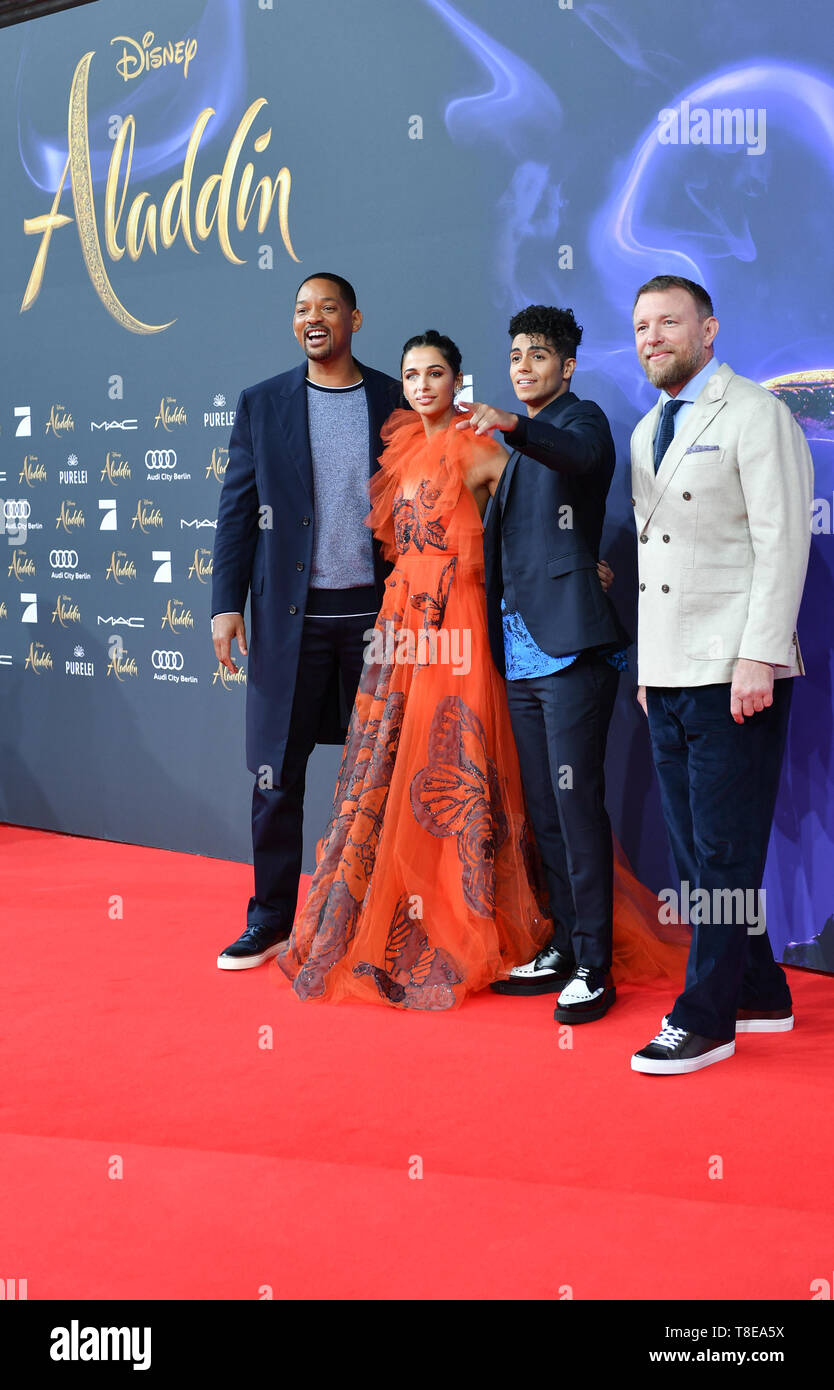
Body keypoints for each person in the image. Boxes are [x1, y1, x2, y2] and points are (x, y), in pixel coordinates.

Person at [276, 330, 686, 1009]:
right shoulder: (401, 451)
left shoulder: (488, 448)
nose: (423, 385)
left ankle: (511, 930)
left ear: (457, 379)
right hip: (404, 622)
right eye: (412, 374)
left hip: (463, 622)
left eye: (436, 373)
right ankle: (436, 919)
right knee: (395, 766)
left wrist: (582, 564)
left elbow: (549, 508)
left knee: (467, 767)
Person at [627, 274, 813, 1075]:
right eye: (640, 326)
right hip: (669, 672)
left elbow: (782, 543)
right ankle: (763, 990)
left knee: (724, 853)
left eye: (669, 321)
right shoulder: (645, 432)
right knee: (701, 856)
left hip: (737, 669)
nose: (652, 337)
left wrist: (759, 656)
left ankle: (705, 1016)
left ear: (708, 330)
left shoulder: (755, 414)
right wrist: (648, 665)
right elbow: (652, 562)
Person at [456, 305, 641, 1025]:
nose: (524, 366)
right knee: (544, 813)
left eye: (538, 355)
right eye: (515, 355)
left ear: (566, 366)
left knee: (576, 806)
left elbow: (585, 461)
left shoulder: (579, 421)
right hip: (523, 657)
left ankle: (596, 965)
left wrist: (516, 427)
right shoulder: (516, 457)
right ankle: (564, 943)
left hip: (570, 653)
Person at [211, 274, 401, 969]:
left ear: (355, 317)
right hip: (292, 622)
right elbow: (236, 511)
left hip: (379, 622)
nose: (312, 319)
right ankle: (269, 920)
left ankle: (378, 918)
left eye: (326, 308)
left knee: (379, 774)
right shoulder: (262, 404)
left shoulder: (394, 398)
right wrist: (226, 604)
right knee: (275, 776)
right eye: (301, 310)